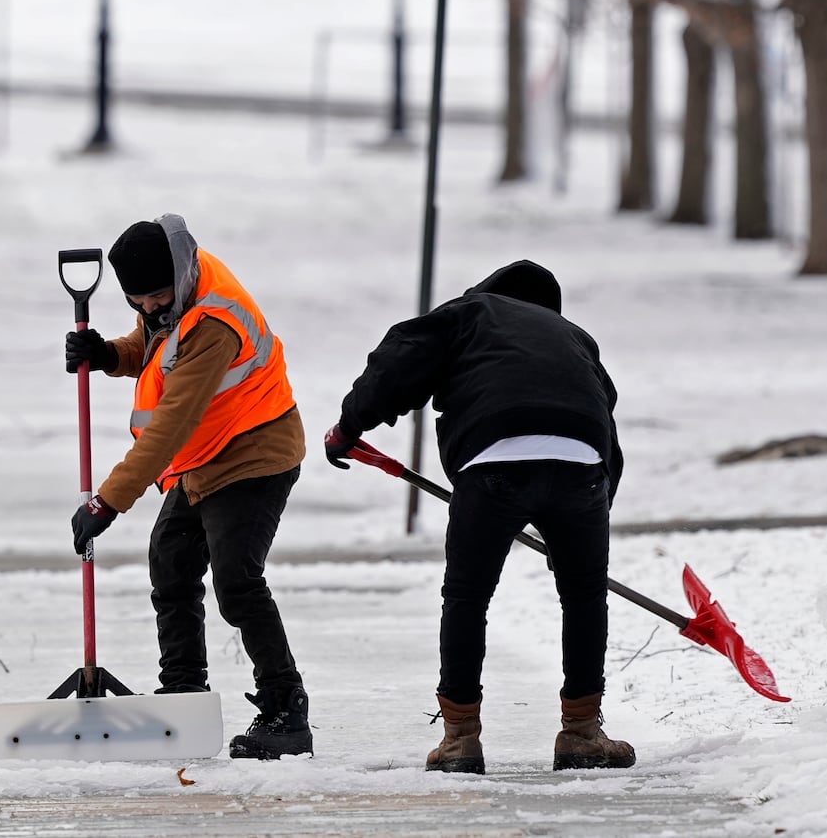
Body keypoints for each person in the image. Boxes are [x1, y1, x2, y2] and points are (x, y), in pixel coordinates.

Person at [322, 259, 634, 775]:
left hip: (493, 460)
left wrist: (350, 424)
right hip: (583, 464)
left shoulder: (471, 312)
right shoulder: (574, 337)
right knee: (584, 596)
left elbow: (402, 357)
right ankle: (581, 732)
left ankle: (459, 739)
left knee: (467, 598)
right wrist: (592, 512)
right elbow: (603, 418)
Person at [65, 213, 312, 760]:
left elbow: (171, 422)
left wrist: (107, 501)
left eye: (155, 297)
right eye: (137, 300)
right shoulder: (178, 289)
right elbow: (155, 348)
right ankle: (183, 693)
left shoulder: (214, 322)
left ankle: (286, 709)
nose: (148, 308)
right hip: (203, 455)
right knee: (171, 562)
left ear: (176, 278)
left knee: (237, 580)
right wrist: (110, 354)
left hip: (255, 451)